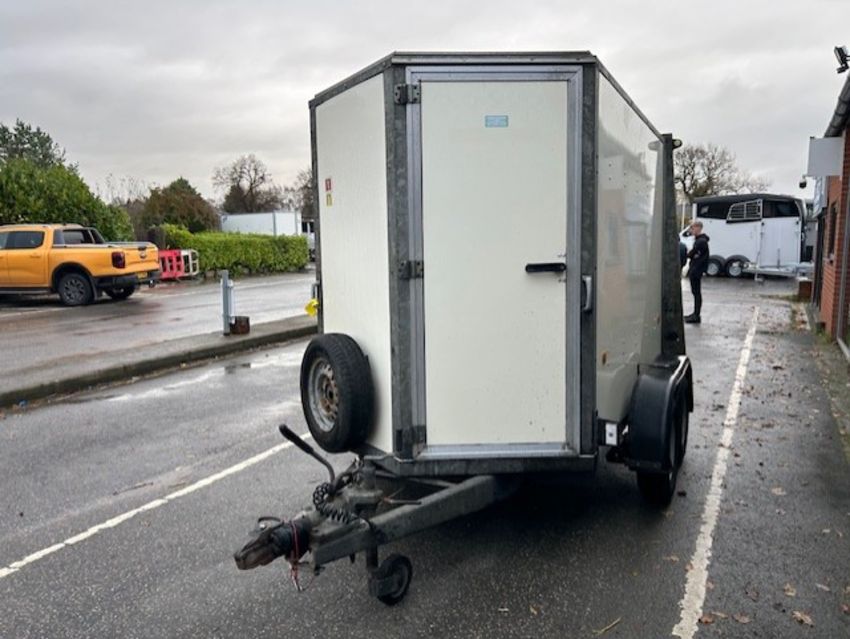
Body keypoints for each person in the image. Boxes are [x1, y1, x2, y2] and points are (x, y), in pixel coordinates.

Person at [685, 221, 710, 324]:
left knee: (696, 293)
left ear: (698, 228)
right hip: (696, 268)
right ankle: (695, 313)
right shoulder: (700, 240)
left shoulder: (701, 242)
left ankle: (696, 315)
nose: (691, 230)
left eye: (692, 228)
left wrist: (690, 253)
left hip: (696, 269)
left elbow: (692, 254)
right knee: (695, 292)